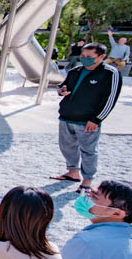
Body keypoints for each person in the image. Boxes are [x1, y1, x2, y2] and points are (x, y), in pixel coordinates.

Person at [49, 42, 122, 192]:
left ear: (101, 56)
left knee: (88, 150)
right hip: (67, 116)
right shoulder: (75, 71)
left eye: (89, 56)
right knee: (67, 147)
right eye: (83, 56)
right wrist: (61, 91)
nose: (84, 58)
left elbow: (110, 98)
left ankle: (87, 180)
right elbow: (64, 86)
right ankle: (72, 172)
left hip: (88, 120)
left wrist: (97, 119)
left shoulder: (110, 73)